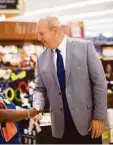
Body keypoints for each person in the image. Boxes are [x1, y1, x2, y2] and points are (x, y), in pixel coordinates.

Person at [32, 16, 107, 144]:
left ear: (54, 30)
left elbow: (99, 83)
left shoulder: (85, 47)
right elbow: (40, 88)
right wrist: (37, 105)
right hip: (60, 128)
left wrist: (99, 117)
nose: (39, 38)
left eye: (42, 34)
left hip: (88, 124)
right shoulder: (41, 59)